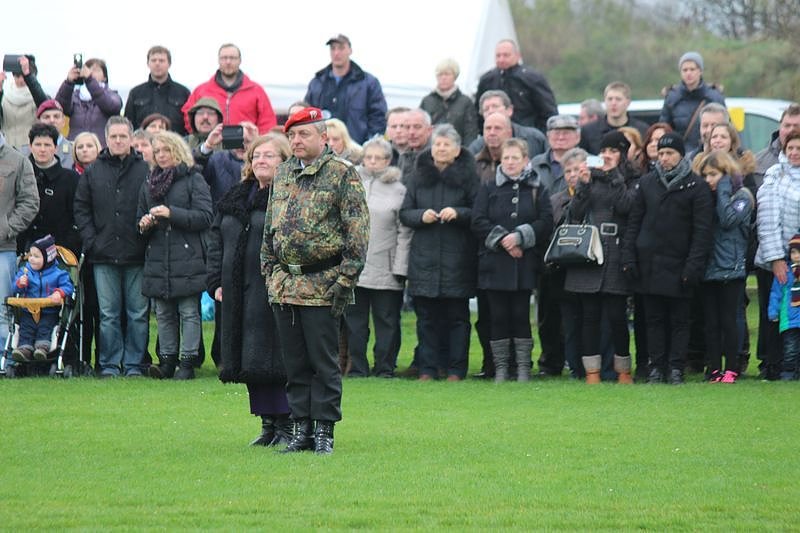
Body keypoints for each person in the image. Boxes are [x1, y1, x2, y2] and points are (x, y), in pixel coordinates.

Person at [261, 107, 369, 454]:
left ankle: (324, 431)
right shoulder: (283, 173)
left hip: (323, 284)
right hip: (286, 285)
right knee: (295, 364)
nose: (296, 140)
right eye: (292, 135)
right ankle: (300, 429)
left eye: (304, 134)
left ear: (323, 137)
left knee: (324, 364)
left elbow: (358, 232)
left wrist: (345, 280)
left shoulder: (341, 174)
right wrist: (269, 272)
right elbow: (269, 229)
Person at [207, 133, 292, 445]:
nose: (261, 161)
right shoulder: (235, 197)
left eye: (269, 156)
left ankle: (286, 423)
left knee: (275, 357)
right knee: (248, 357)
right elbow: (216, 241)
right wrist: (215, 282)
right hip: (237, 292)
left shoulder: (288, 198)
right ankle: (267, 424)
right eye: (256, 156)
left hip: (273, 289)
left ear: (284, 160)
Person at [622, 132, 713, 384]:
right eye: (661, 153)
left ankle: (675, 367)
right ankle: (656, 367)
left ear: (681, 155)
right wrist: (629, 257)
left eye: (669, 153)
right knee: (653, 319)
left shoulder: (697, 187)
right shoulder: (648, 183)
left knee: (680, 320)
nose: (664, 158)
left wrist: (693, 266)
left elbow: (702, 232)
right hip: (649, 263)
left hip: (680, 264)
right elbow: (634, 223)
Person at [400, 124, 479, 381]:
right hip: (424, 259)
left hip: (458, 259)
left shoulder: (469, 177)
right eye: (437, 144)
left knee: (458, 319)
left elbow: (478, 212)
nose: (441, 148)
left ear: (457, 150)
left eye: (446, 144)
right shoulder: (417, 176)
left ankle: (456, 369)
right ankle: (427, 368)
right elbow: (405, 213)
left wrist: (458, 213)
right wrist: (421, 216)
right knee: (426, 320)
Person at [73, 116, 149, 378]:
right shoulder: (93, 171)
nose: (118, 140)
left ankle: (134, 365)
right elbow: (81, 208)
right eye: (114, 136)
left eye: (123, 136)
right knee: (108, 315)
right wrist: (91, 240)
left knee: (138, 314)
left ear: (130, 138)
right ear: (106, 139)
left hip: (137, 254)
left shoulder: (145, 169)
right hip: (103, 254)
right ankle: (108, 365)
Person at [471, 138, 552, 382]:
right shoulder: (488, 188)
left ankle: (523, 368)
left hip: (524, 263)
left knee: (520, 315)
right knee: (497, 316)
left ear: (525, 160)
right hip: (494, 264)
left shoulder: (537, 188)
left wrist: (521, 237)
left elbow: (546, 221)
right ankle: (501, 368)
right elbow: (478, 220)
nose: (510, 162)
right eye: (506, 158)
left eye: (515, 158)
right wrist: (504, 240)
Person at [136, 131, 212, 380]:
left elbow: (205, 216)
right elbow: (138, 218)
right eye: (157, 152)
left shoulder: (193, 178)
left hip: (187, 255)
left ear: (177, 150)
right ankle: (166, 361)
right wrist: (145, 223)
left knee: (189, 312)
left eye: (166, 150)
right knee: (164, 313)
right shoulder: (149, 181)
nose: (161, 156)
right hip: (158, 254)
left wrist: (172, 213)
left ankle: (187, 362)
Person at [564, 131, 636, 384]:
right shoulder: (589, 178)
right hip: (590, 252)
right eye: (604, 151)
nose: (607, 156)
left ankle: (623, 370)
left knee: (617, 316)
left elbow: (628, 206)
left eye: (613, 151)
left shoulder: (631, 177)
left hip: (616, 250)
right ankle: (592, 372)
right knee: (590, 316)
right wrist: (582, 185)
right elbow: (574, 213)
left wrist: (614, 176)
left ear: (623, 154)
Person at [344, 136, 411, 378]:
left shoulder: (400, 189)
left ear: (388, 160)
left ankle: (385, 367)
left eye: (378, 158)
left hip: (387, 264)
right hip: (354, 264)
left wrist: (401, 265)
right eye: (368, 157)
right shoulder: (350, 182)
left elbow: (404, 231)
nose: (372, 162)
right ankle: (358, 367)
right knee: (355, 322)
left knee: (387, 321)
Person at [529, 114, 583, 377]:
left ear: (578, 135)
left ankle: (579, 360)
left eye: (567, 131)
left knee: (577, 311)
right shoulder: (534, 165)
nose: (561, 136)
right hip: (545, 247)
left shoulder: (586, 163)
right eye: (555, 132)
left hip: (580, 250)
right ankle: (550, 362)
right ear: (547, 136)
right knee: (547, 312)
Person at [695, 150, 753, 384]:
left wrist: (723, 189)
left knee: (729, 320)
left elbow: (728, 219)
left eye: (714, 174)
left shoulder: (743, 196)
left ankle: (731, 368)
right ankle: (714, 369)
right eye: (705, 175)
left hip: (732, 267)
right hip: (709, 268)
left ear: (726, 174)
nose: (709, 180)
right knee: (711, 322)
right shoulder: (705, 198)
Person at [755, 130, 800, 381]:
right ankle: (776, 366)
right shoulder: (775, 174)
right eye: (790, 148)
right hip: (780, 257)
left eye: (799, 148)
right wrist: (777, 259)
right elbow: (768, 219)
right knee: (775, 314)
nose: (794, 153)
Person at [304, 34, 387, 144]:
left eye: (341, 48)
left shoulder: (368, 83)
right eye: (333, 48)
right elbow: (307, 116)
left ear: (350, 50)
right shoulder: (317, 83)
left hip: (356, 152)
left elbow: (378, 117)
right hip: (322, 151)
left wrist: (368, 144)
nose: (336, 53)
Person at [550, 147, 588, 378]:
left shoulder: (598, 193)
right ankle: (575, 366)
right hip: (564, 269)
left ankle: (594, 363)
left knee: (590, 319)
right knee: (570, 322)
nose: (573, 174)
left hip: (591, 267)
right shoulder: (556, 199)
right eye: (568, 170)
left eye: (578, 168)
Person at [181, 44, 276, 134]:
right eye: (224, 58)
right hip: (210, 147)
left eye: (232, 58)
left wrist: (257, 143)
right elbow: (188, 114)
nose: (228, 62)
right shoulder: (201, 90)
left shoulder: (256, 91)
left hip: (245, 148)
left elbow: (268, 123)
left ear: (240, 60)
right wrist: (200, 138)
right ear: (218, 60)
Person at [0, 131, 39, 352]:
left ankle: (4, 360)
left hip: (3, 248)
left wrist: (5, 228)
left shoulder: (18, 161)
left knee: (2, 310)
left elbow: (30, 202)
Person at [17, 123, 81, 256]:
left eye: (47, 145)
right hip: (24, 250)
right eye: (38, 144)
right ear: (30, 147)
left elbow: (77, 216)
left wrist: (68, 245)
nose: (42, 149)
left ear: (55, 148)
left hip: (60, 251)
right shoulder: (19, 175)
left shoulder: (71, 179)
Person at [10, 235, 73, 362]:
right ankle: (24, 349)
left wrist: (58, 293)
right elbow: (14, 288)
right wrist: (20, 284)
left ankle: (42, 348)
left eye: (36, 256)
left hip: (49, 311)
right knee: (26, 329)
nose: (31, 259)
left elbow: (68, 286)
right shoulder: (25, 271)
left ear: (48, 259)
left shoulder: (58, 274)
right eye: (30, 255)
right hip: (28, 310)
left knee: (45, 328)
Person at [475, 39, 557, 132]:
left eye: (506, 55)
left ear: (518, 56)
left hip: (528, 134)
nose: (501, 59)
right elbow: (478, 113)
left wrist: (539, 136)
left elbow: (548, 111)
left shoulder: (532, 78)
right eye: (498, 55)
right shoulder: (487, 80)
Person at [658, 51, 725, 154]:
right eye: (685, 70)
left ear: (700, 71)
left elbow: (726, 128)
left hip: (710, 154)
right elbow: (664, 130)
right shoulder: (672, 98)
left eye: (692, 69)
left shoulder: (714, 97)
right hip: (681, 157)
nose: (688, 73)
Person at [124, 46, 190, 136]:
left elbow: (189, 124)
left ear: (169, 64)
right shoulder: (136, 93)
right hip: (143, 146)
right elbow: (128, 125)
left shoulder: (183, 93)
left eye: (161, 60)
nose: (157, 64)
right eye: (153, 60)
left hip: (175, 145)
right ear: (148, 63)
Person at [55, 58, 123, 146]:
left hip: (101, 149)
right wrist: (69, 82)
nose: (91, 72)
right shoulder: (75, 96)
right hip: (76, 148)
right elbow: (59, 106)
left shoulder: (112, 95)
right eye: (88, 69)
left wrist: (90, 80)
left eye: (96, 70)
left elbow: (111, 106)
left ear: (105, 77)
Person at [469, 90, 547, 160]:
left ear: (509, 110)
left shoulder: (534, 138)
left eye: (495, 106)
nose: (491, 111)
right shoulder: (477, 148)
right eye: (486, 109)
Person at [420, 59, 479, 145]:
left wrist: (466, 154)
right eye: (440, 74)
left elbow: (470, 132)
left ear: (455, 76)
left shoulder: (465, 102)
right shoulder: (427, 101)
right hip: (431, 150)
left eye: (447, 74)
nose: (443, 78)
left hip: (457, 150)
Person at [579, 82, 649, 155]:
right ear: (604, 101)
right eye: (610, 99)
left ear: (628, 102)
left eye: (618, 99)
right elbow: (585, 159)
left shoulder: (642, 129)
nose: (613, 103)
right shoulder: (589, 131)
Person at [768, 235, 800, 381]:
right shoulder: (785, 272)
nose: (796, 256)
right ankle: (788, 373)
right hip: (790, 318)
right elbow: (776, 293)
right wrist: (773, 311)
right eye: (793, 252)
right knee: (790, 348)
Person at [0, 55, 48, 148]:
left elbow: (44, 105)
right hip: (8, 149)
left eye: (24, 76)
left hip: (33, 151)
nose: (21, 80)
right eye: (17, 76)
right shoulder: (4, 97)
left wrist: (28, 75)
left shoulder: (38, 96)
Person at [755, 103, 800, 188]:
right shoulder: (758, 162)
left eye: (796, 126)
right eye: (787, 126)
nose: (791, 130)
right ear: (780, 127)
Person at [34, 100, 74, 169]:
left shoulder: (74, 150)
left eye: (56, 116)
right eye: (46, 117)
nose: (52, 120)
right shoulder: (25, 151)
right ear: (39, 122)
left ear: (63, 121)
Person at [397, 109, 433, 181]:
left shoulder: (437, 157)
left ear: (429, 130)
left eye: (417, 127)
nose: (411, 132)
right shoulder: (403, 156)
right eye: (407, 127)